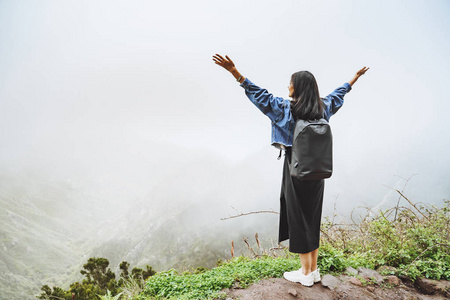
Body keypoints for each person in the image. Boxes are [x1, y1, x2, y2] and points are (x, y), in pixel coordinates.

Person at [213, 54, 369, 287]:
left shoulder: (284, 109)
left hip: (295, 168)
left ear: (298, 87)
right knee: (312, 218)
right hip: (318, 172)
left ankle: (306, 275)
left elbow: (259, 95)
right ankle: (312, 270)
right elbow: (339, 94)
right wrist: (353, 79)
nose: (287, 85)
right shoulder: (322, 107)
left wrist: (235, 73)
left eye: (290, 82)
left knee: (298, 218)